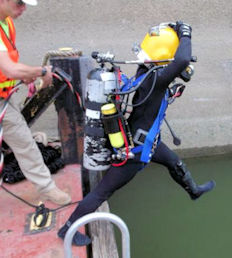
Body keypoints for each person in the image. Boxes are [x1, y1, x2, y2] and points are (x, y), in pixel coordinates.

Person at [58, 21, 215, 245]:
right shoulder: (157, 78)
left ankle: (194, 191)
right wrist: (185, 33)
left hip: (151, 141)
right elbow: (180, 60)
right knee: (102, 192)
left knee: (174, 162)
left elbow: (172, 72)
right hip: (135, 150)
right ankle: (67, 230)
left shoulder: (146, 72)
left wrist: (172, 86)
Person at [0, 0, 71, 205]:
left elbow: (8, 66)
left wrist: (22, 77)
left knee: (24, 142)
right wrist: (40, 72)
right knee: (24, 143)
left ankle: (47, 189)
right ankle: (48, 190)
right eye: (19, 3)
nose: (23, 9)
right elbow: (10, 69)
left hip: (5, 95)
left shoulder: (7, 22)